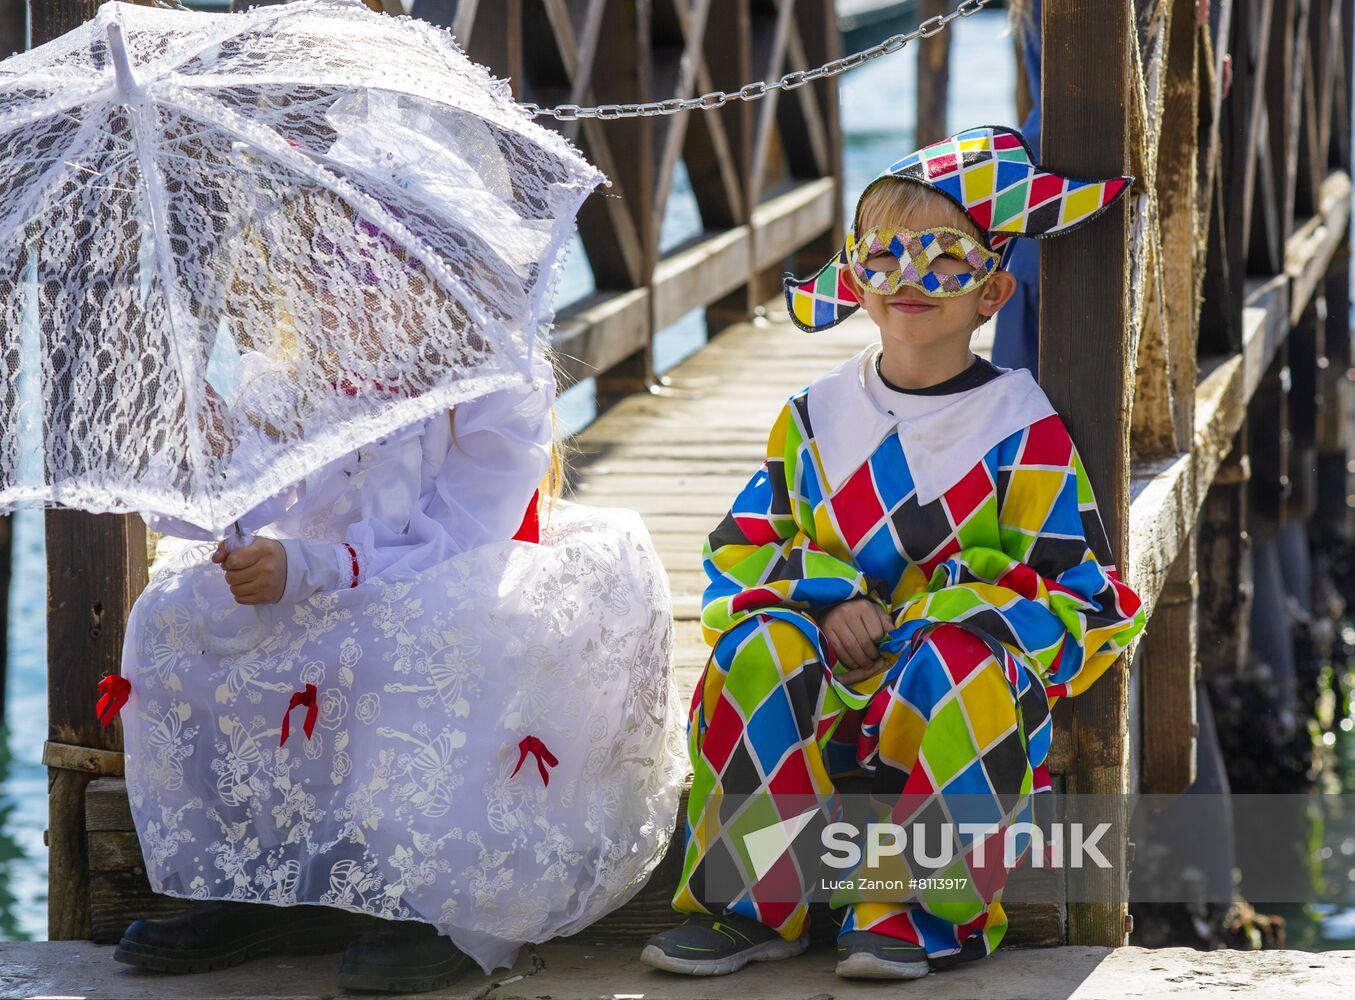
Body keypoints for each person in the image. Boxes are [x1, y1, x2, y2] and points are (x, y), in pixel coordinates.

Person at [639, 126, 1146, 980]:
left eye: (943, 260)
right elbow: (742, 550)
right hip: (828, 663)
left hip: (942, 676)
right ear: (855, 280)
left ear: (990, 291)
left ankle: (919, 909)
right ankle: (749, 902)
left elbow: (1079, 595)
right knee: (760, 649)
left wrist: (936, 613)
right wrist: (827, 597)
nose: (909, 282)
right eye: (882, 258)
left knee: (956, 668)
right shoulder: (811, 415)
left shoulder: (1022, 432)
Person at [113, 344, 687, 993]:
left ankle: (432, 900)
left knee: (415, 641)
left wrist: (313, 569)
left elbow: (466, 535)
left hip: (454, 577)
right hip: (315, 573)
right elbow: (253, 508)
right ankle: (260, 874)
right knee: (174, 617)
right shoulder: (294, 365)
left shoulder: (497, 374)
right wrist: (206, 451)